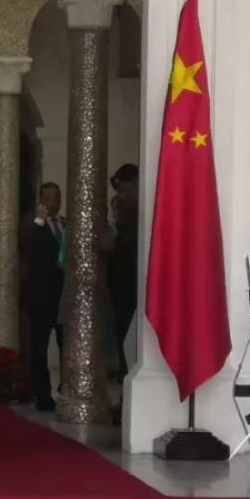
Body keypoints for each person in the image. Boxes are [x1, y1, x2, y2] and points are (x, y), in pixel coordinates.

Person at [21, 182, 65, 411]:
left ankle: (67, 391)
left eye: (56, 197)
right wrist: (39, 220)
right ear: (40, 200)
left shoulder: (67, 224)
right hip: (41, 296)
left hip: (64, 297)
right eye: (48, 198)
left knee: (67, 345)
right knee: (39, 347)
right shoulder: (31, 224)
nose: (53, 202)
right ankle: (42, 395)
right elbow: (26, 246)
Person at [107, 164, 139, 385]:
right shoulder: (124, 225)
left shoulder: (139, 220)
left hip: (134, 290)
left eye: (125, 191)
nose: (121, 198)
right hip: (120, 290)